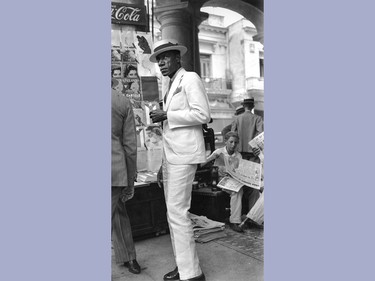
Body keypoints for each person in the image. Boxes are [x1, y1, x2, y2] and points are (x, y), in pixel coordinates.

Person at [149, 39, 210, 281]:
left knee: (178, 213)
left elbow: (203, 113)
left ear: (178, 58)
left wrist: (167, 114)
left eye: (165, 57)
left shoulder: (190, 78)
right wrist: (162, 165)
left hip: (184, 156)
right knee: (173, 214)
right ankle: (184, 266)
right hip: (173, 156)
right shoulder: (172, 83)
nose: (161, 63)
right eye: (158, 59)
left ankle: (191, 274)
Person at [111, 89, 141, 274]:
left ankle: (128, 257)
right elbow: (130, 146)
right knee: (117, 211)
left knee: (116, 212)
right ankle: (129, 257)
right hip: (113, 170)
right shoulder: (121, 101)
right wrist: (129, 180)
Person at [201, 132, 245, 233]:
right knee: (236, 191)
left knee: (239, 189)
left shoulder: (238, 155)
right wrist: (213, 157)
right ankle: (234, 221)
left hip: (233, 179)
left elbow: (241, 170)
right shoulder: (219, 152)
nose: (233, 145)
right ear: (226, 142)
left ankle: (235, 220)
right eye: (231, 142)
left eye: (235, 142)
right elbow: (203, 163)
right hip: (220, 180)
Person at [231, 98, 263, 162]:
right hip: (253, 150)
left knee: (242, 169)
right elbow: (260, 134)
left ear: (243, 106)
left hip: (240, 149)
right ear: (253, 107)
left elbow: (232, 133)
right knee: (253, 169)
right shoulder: (258, 118)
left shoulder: (237, 118)